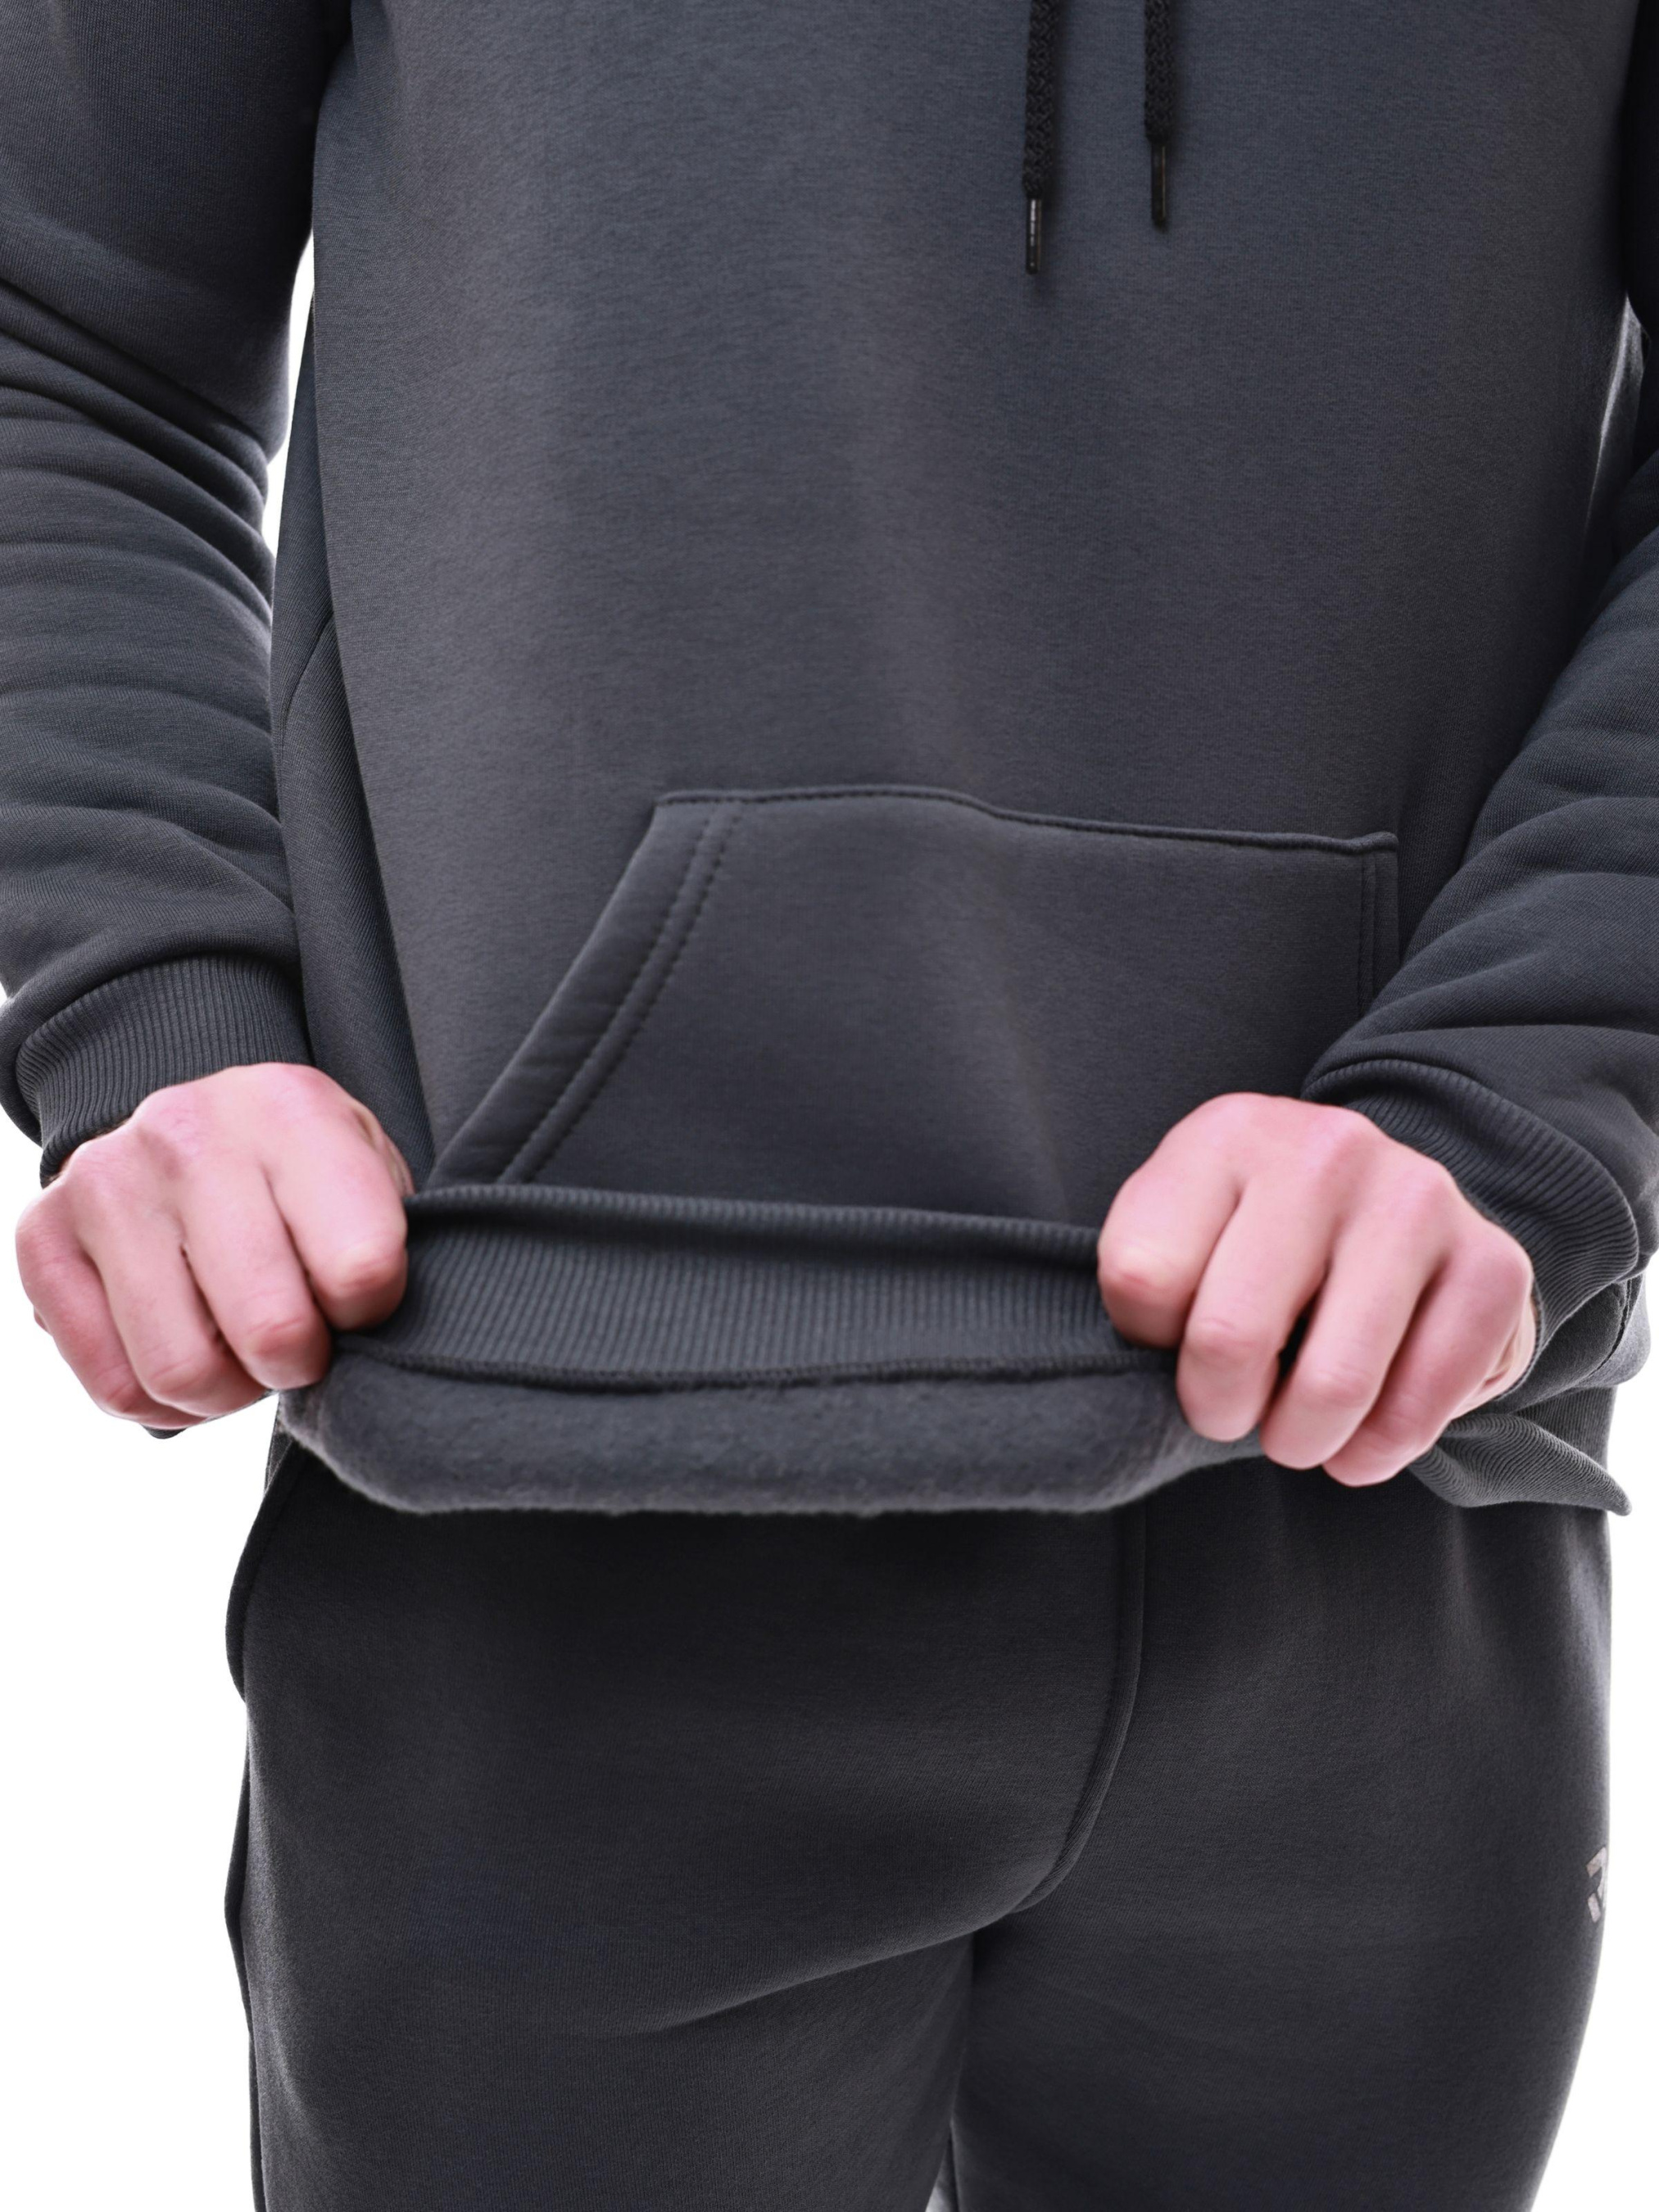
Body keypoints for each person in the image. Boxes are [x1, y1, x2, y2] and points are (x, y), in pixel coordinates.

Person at [2, 4, 1653, 2206]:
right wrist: (157, 998)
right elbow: (59, 331)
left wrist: (1514, 1088)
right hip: (551, 1483)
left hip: (1391, 1493)